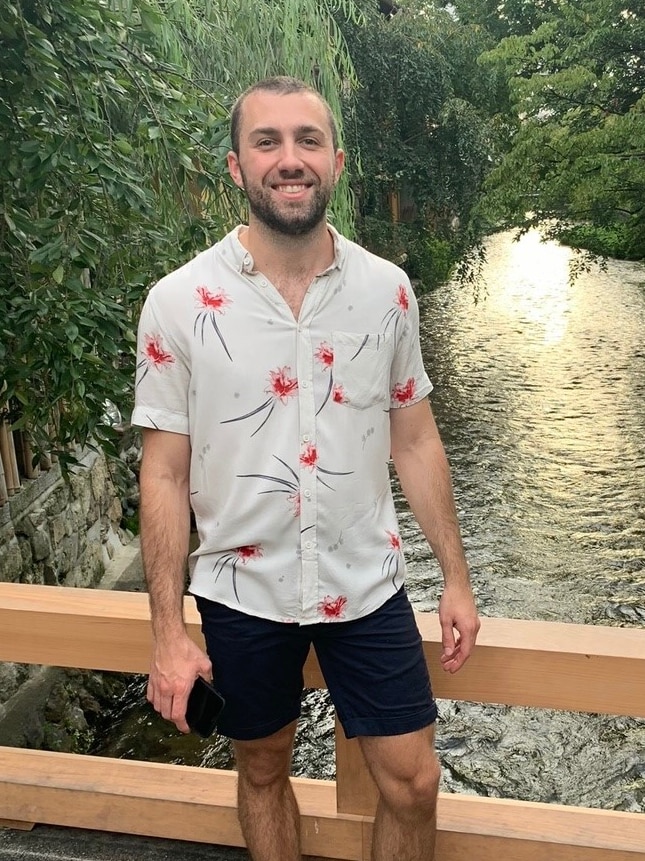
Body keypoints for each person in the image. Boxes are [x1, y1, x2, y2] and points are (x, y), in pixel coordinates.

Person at [133, 76, 480, 861]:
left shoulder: (386, 291)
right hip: (240, 588)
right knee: (261, 768)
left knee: (412, 780)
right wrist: (166, 630)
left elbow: (416, 439)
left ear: (337, 161)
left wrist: (455, 576)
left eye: (307, 141)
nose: (289, 160)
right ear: (235, 166)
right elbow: (162, 474)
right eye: (267, 142)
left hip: (365, 580)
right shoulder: (178, 302)